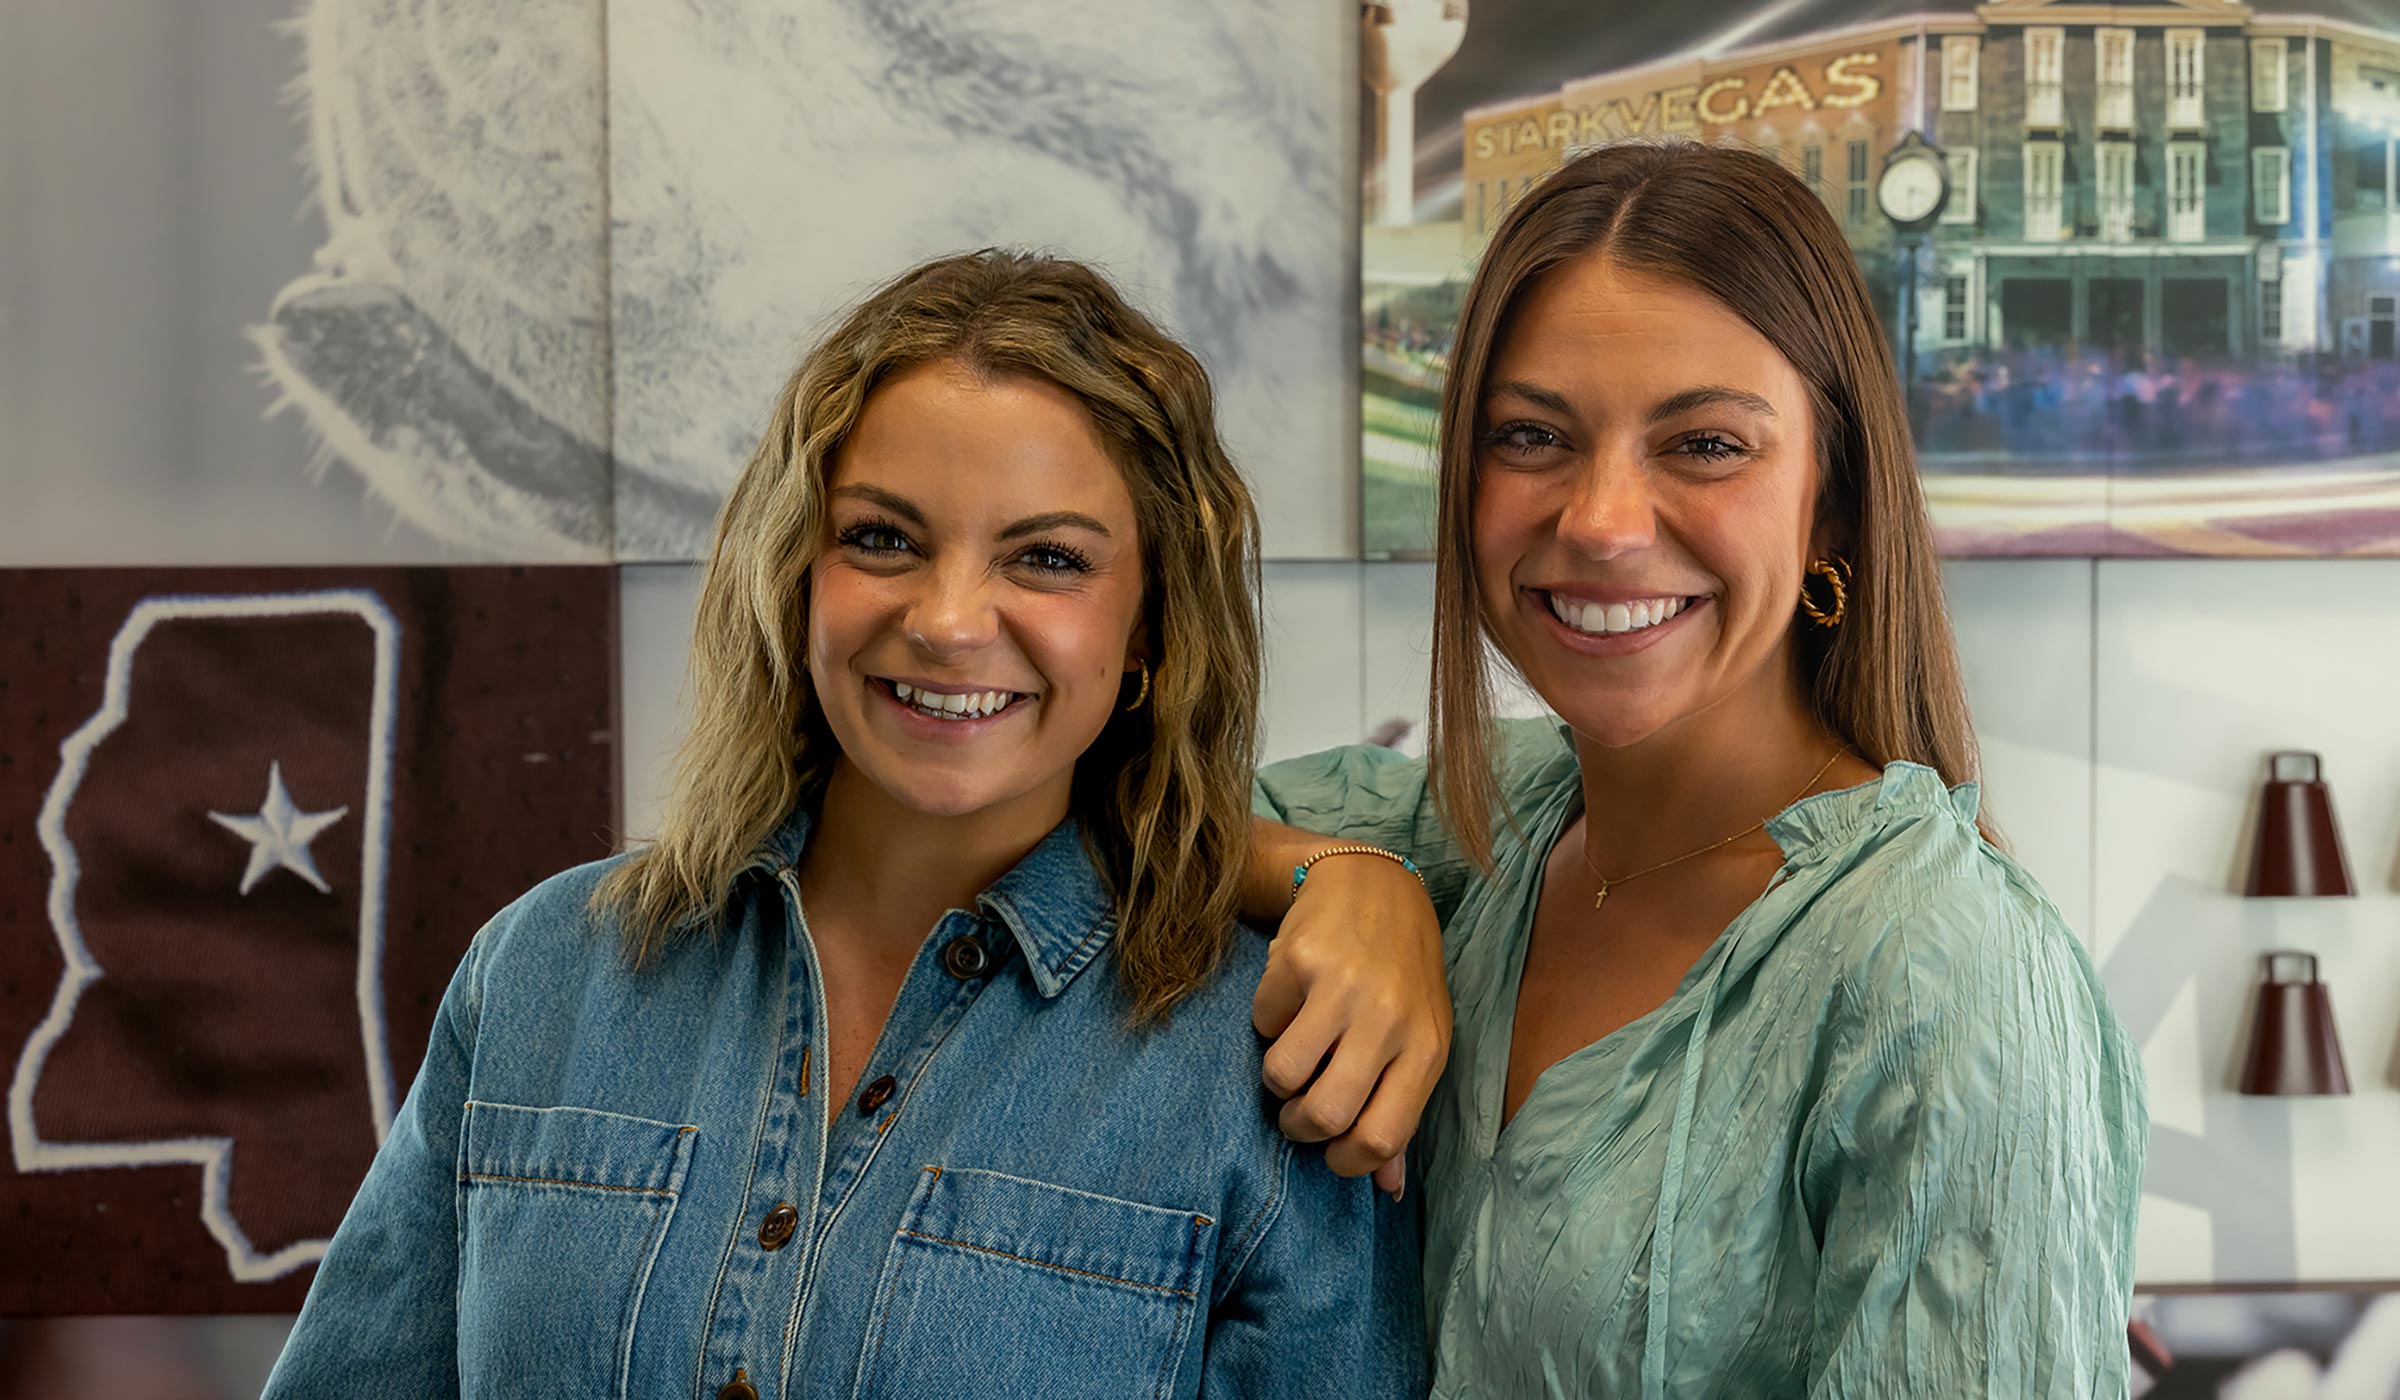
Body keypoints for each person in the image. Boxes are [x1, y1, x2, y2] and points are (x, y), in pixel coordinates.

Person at [262, 251, 1423, 1400]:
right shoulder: (543, 972)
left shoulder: (1265, 1063)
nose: (952, 619)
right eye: (882, 537)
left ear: (1151, 633)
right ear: (794, 570)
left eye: (1049, 558)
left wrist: (1369, 876)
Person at [1244, 142, 2147, 1397]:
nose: (1603, 520)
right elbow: (1109, 817)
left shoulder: (1948, 975)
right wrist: (1346, 876)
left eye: (1707, 444)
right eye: (1532, 435)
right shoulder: (1468, 828)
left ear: (1831, 503)